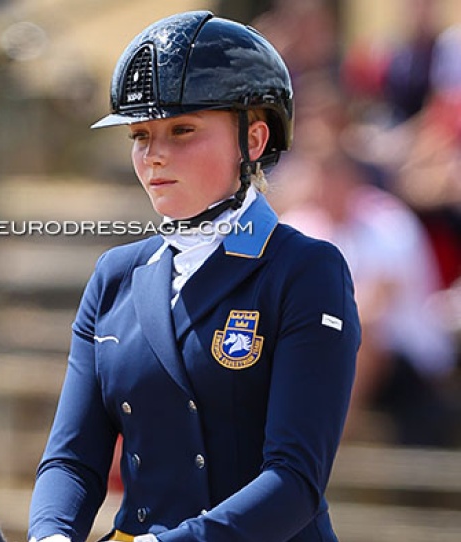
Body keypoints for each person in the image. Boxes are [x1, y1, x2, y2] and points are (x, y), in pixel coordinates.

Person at [27, 11, 361, 542]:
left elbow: (295, 479)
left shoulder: (305, 271)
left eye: (182, 130)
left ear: (252, 139)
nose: (154, 155)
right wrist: (52, 536)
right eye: (141, 135)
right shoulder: (115, 276)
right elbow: (72, 459)